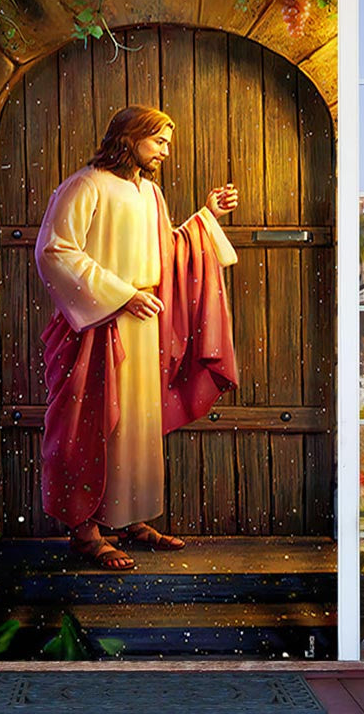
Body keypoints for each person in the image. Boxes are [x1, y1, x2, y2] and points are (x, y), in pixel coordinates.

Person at [35, 105, 239, 570]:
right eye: (159, 141)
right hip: (97, 325)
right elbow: (55, 251)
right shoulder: (85, 185)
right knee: (88, 426)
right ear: (130, 139)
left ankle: (131, 517)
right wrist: (121, 296)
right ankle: (86, 531)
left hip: (145, 323)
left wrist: (206, 216)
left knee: (136, 427)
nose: (166, 150)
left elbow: (167, 249)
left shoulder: (149, 191)